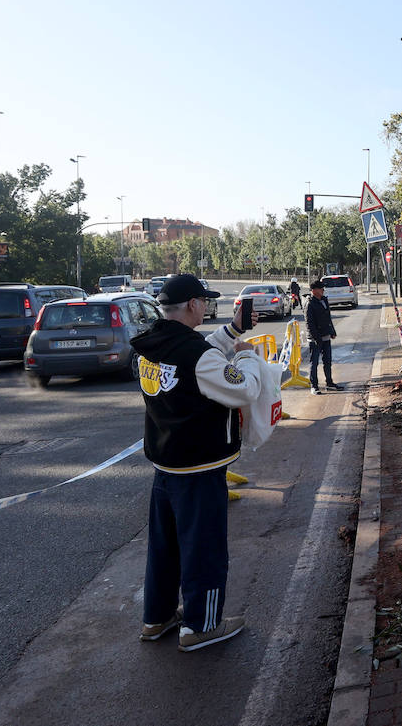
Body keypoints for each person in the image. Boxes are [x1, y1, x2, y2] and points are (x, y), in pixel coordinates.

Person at [130, 274, 264, 652]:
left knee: (164, 548)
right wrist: (247, 357)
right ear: (192, 305)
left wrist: (231, 331)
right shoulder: (197, 357)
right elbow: (243, 388)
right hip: (200, 468)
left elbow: (195, 354)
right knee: (203, 548)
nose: (206, 306)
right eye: (203, 301)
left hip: (165, 465)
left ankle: (156, 618)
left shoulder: (153, 344)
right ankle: (201, 626)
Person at [305, 279, 342, 393]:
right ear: (314, 290)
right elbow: (309, 324)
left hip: (326, 336)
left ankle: (329, 383)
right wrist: (317, 338)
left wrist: (332, 331)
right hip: (315, 339)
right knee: (314, 363)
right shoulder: (310, 304)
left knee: (327, 361)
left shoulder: (324, 300)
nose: (323, 290)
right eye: (321, 288)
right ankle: (314, 386)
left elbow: (328, 318)